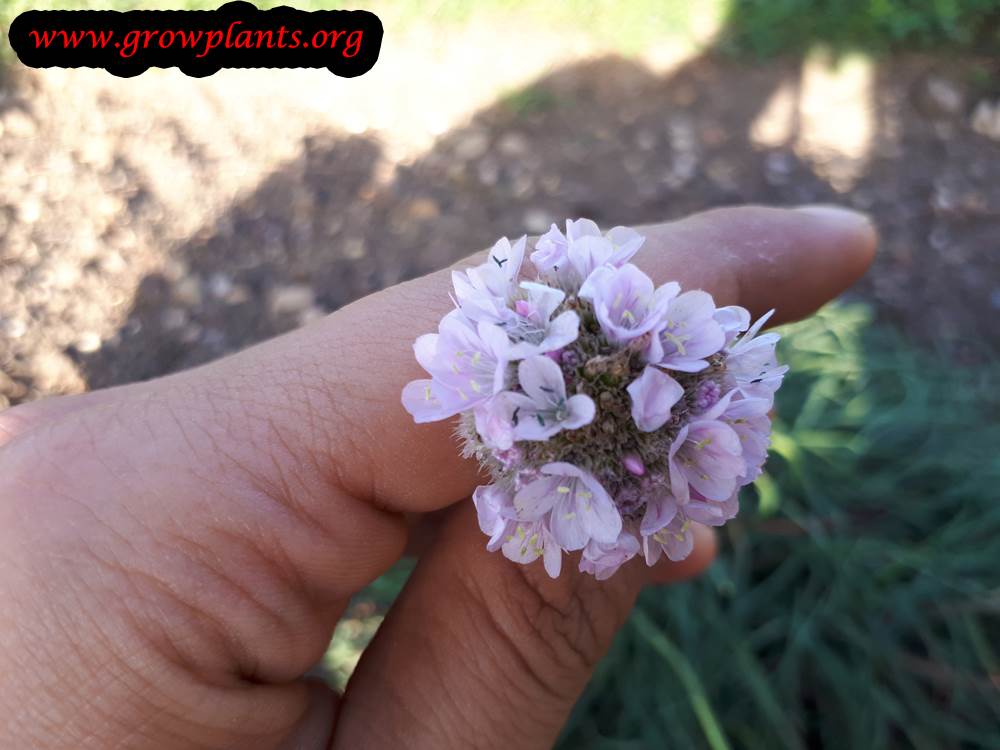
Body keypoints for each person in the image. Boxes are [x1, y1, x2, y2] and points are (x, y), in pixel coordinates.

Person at [0, 206, 876, 749]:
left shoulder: (624, 380)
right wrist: (577, 460)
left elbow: (598, 408)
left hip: (601, 400)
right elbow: (560, 418)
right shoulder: (548, 419)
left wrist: (639, 441)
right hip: (560, 405)